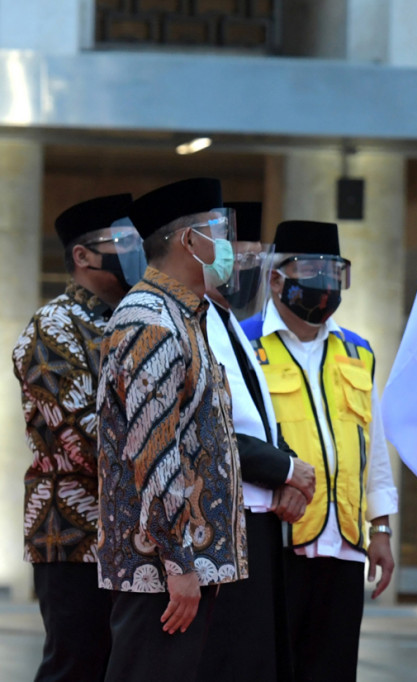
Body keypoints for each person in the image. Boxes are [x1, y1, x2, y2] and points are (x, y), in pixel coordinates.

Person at [96, 177, 247, 682]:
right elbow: (154, 450)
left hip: (180, 565)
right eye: (219, 230)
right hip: (159, 569)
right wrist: (179, 562)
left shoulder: (183, 314)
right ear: (189, 240)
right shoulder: (152, 321)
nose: (227, 244)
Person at [241, 220, 398, 682]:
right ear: (276, 279)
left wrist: (382, 526)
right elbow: (235, 438)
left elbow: (372, 447)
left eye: (334, 273)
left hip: (344, 545)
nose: (323, 285)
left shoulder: (358, 351)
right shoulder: (245, 344)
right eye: (310, 271)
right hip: (275, 543)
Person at [12, 193, 144, 681]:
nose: (135, 250)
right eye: (122, 242)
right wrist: (160, 472)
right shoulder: (55, 325)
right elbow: (79, 433)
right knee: (76, 665)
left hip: (130, 531)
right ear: (82, 256)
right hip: (72, 532)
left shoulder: (131, 322)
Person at [199, 201, 314, 681]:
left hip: (260, 519)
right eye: (235, 259)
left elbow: (263, 420)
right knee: (231, 659)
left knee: (261, 660)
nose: (243, 272)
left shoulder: (234, 324)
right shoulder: (193, 320)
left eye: (253, 262)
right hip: (223, 520)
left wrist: (286, 472)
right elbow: (210, 427)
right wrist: (286, 471)